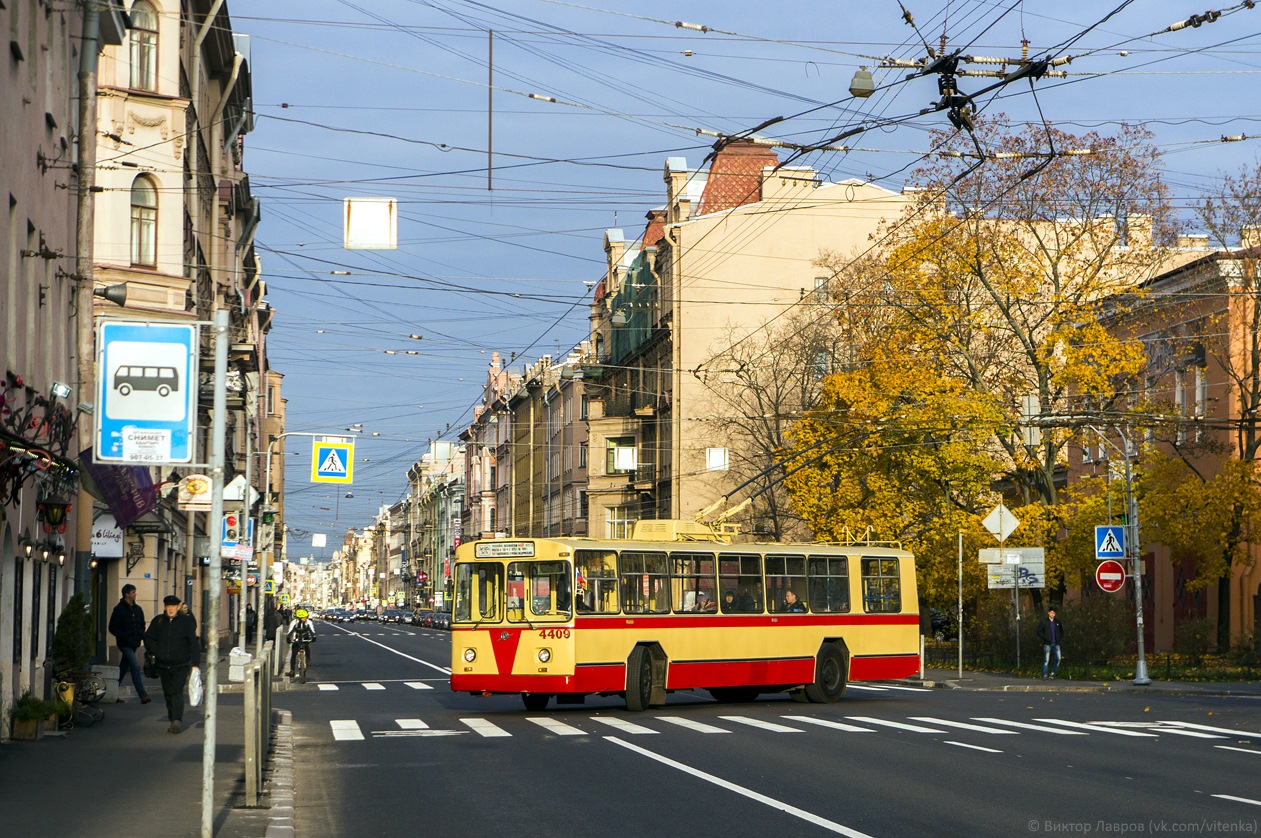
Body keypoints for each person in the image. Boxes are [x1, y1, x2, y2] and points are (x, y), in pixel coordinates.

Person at [144, 594, 200, 734]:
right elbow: (148, 638)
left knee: (176, 691)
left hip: (181, 664)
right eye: (168, 606)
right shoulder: (158, 621)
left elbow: (193, 643)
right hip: (163, 665)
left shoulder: (186, 622)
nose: (170, 609)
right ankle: (172, 717)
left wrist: (196, 663)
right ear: (165, 607)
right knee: (168, 693)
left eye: (173, 606)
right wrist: (156, 651)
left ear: (178, 607)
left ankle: (176, 720)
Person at [107, 584, 152, 705]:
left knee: (122, 668)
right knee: (135, 666)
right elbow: (112, 627)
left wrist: (141, 634)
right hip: (124, 643)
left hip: (134, 643)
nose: (135, 594)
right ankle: (142, 695)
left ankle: (111, 693)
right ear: (127, 594)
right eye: (133, 592)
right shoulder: (119, 609)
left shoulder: (138, 609)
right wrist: (123, 635)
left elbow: (142, 624)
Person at [286, 607, 317, 676]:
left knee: (307, 647)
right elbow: (290, 631)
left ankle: (308, 660)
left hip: (305, 638)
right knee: (293, 654)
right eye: (304, 617)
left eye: (306, 617)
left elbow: (311, 630)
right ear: (299, 618)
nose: (305, 618)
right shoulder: (294, 622)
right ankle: (292, 670)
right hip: (296, 639)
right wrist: (288, 638)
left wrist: (313, 637)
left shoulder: (308, 622)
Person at [1036, 607, 1065, 679]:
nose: (1052, 614)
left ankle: (1053, 673)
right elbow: (1039, 631)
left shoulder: (1057, 622)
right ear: (1048, 613)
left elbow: (1061, 631)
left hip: (1056, 643)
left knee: (1058, 658)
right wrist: (1045, 638)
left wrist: (1059, 638)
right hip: (1047, 643)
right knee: (1046, 660)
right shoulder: (1044, 622)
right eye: (1051, 613)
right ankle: (1045, 674)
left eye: (1054, 613)